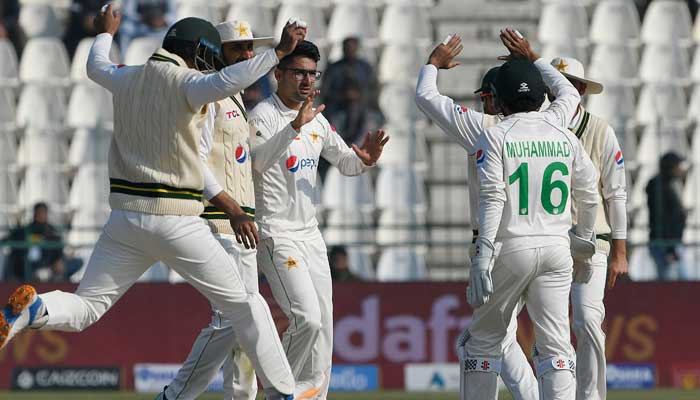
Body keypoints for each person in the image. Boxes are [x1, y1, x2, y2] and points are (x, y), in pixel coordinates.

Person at [0, 7, 307, 400]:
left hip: (124, 222)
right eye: (206, 55)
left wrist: (106, 33)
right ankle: (284, 394)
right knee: (247, 305)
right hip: (175, 219)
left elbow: (95, 66)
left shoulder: (126, 76)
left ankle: (35, 309)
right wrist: (278, 54)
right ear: (196, 51)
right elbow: (231, 77)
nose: (208, 64)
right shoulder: (189, 83)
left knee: (85, 307)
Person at [415, 33, 561, 400]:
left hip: (499, 246)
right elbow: (567, 98)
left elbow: (426, 97)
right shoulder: (551, 126)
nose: (484, 104)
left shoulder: (484, 129)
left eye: (487, 97)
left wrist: (433, 64)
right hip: (551, 241)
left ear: (499, 97)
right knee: (549, 345)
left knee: (478, 342)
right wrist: (535, 60)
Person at [462, 28, 599, 399]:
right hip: (557, 248)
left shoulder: (496, 135)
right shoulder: (562, 130)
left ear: (500, 102)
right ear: (542, 97)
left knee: (482, 344)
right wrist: (585, 239)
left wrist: (482, 256)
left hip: (511, 248)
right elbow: (588, 191)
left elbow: (492, 197)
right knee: (556, 349)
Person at [249, 40, 388, 399]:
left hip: (310, 236)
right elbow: (255, 164)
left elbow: (347, 163)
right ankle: (280, 392)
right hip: (276, 233)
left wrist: (366, 160)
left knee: (324, 324)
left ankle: (312, 396)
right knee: (306, 319)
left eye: (312, 73)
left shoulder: (317, 118)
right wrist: (294, 126)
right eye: (299, 72)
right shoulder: (262, 115)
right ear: (278, 74)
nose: (307, 80)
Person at [157, 20, 277, 400]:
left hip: (240, 222)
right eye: (238, 49)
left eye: (250, 49)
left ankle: (239, 396)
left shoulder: (237, 97)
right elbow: (195, 161)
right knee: (235, 317)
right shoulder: (204, 94)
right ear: (215, 52)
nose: (247, 56)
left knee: (244, 320)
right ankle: (175, 395)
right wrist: (230, 210)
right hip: (217, 220)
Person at [545, 56, 629, 400]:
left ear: (579, 91)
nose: (557, 95)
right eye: (552, 88)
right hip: (548, 239)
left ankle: (591, 396)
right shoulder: (539, 128)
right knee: (550, 328)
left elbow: (616, 192)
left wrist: (620, 252)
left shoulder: (600, 130)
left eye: (566, 87)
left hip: (594, 241)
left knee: (587, 320)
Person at [647, 152, 689, 281]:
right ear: (671, 167)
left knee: (683, 283)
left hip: (673, 243)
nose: (681, 169)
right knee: (670, 283)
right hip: (666, 245)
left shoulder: (669, 185)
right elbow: (663, 219)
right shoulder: (659, 187)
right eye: (678, 165)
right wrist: (670, 250)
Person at [3, 203, 64, 282]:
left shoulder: (52, 231)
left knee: (76, 262)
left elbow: (58, 246)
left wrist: (58, 259)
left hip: (47, 263)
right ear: (34, 213)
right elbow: (9, 239)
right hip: (26, 263)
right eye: (39, 212)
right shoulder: (25, 230)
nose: (41, 215)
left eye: (43, 212)